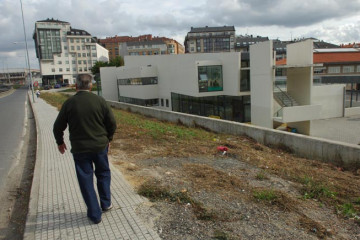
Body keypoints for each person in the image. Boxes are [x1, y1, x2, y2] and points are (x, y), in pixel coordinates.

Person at [53, 74, 117, 224]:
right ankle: (106, 204)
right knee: (103, 174)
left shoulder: (69, 103)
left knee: (85, 180)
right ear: (91, 86)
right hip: (100, 146)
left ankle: (95, 215)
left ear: (76, 86)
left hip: (80, 150)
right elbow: (112, 123)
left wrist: (60, 142)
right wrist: (109, 139)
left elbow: (57, 127)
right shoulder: (100, 101)